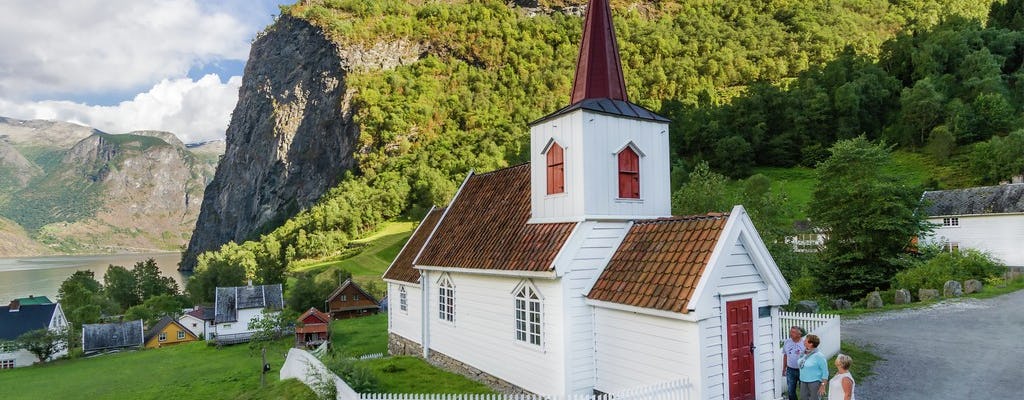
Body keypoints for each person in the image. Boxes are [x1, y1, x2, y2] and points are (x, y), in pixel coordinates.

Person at [798, 334, 829, 400]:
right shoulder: (803, 353)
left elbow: (825, 372)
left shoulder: (819, 356)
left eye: (806, 340)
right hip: (803, 381)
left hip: (814, 383)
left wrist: (823, 385)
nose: (804, 341)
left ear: (811, 344)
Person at [782, 326, 805, 400]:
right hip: (790, 370)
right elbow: (785, 355)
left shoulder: (804, 343)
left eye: (793, 332)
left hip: (803, 370)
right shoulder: (787, 342)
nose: (790, 334)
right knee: (790, 391)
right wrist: (784, 368)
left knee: (803, 391)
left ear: (799, 334)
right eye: (790, 332)